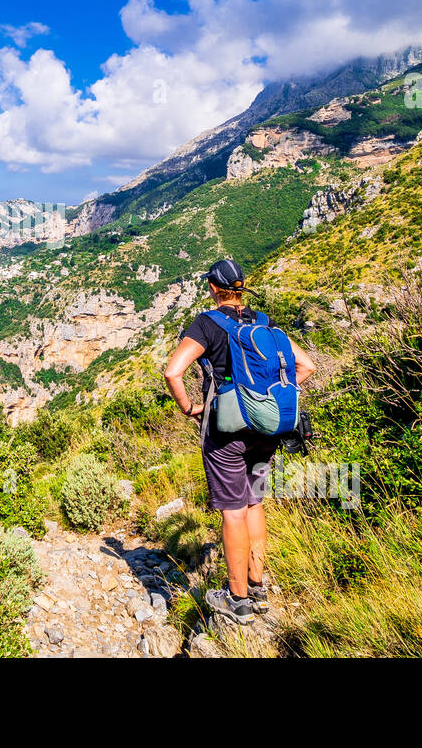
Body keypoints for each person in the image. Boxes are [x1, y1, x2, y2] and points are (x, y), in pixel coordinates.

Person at [163, 258, 315, 624]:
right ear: (241, 287)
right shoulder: (263, 322)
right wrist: (267, 402)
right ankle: (258, 585)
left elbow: (172, 371)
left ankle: (238, 599)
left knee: (232, 509)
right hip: (267, 430)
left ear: (214, 288)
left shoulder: (207, 323)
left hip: (226, 431)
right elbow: (306, 366)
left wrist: (190, 409)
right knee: (254, 503)